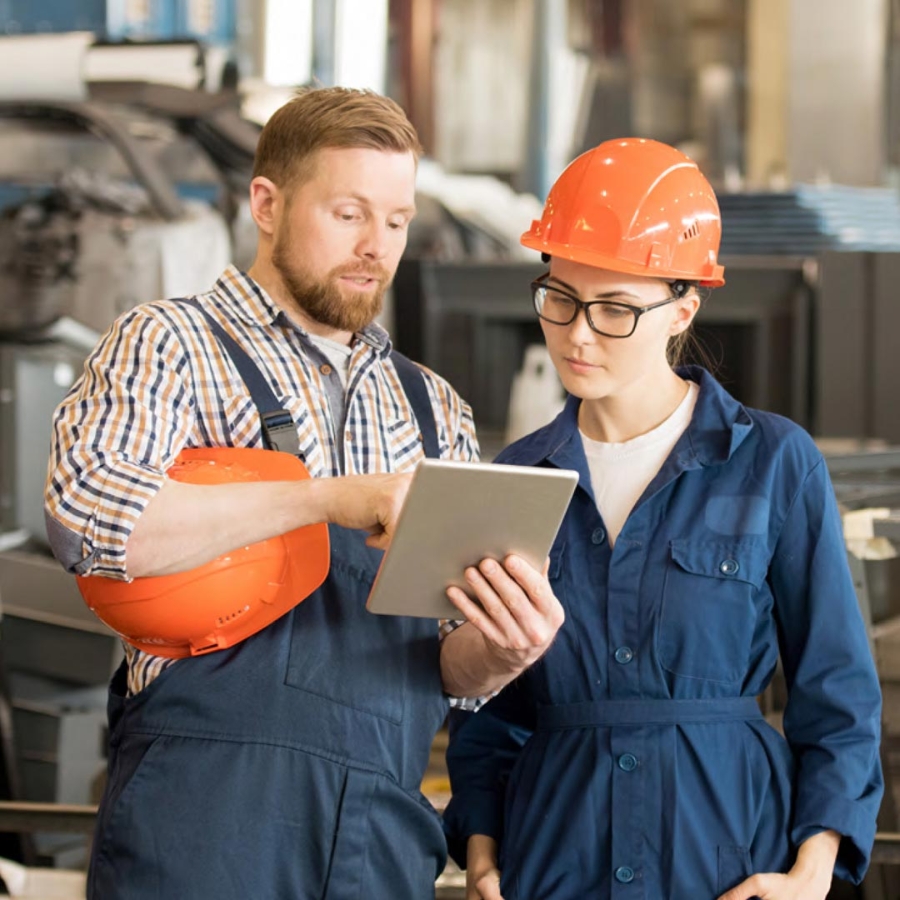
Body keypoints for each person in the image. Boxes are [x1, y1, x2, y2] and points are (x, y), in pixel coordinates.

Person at [44, 87, 565, 900]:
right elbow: (94, 521)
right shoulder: (171, 345)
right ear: (267, 203)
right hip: (204, 823)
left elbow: (448, 664)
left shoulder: (433, 409)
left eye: (396, 220)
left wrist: (502, 647)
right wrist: (329, 499)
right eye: (349, 213)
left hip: (378, 834)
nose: (377, 247)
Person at [442, 138, 883, 900]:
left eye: (614, 309)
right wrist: (481, 852)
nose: (577, 334)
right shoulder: (519, 476)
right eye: (561, 298)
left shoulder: (773, 463)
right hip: (555, 856)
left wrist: (811, 873)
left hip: (725, 856)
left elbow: (836, 688)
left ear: (684, 308)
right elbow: (495, 707)